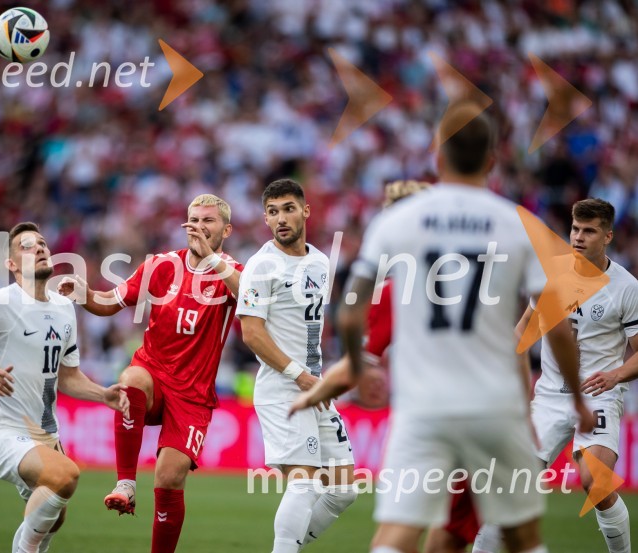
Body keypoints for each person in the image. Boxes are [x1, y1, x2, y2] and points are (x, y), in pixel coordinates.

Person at [292, 102, 594, 553]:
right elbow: (555, 325)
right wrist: (577, 399)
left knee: (397, 535)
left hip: (423, 409)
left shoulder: (397, 221)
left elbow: (351, 309)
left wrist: (355, 366)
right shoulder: (516, 224)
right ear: (492, 160)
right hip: (495, 408)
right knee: (523, 538)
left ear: (438, 158)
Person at [57, 194, 241, 553]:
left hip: (193, 394)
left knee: (169, 478)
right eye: (193, 220)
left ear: (227, 229)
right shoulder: (161, 266)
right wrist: (85, 294)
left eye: (208, 221)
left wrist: (215, 260)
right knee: (131, 381)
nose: (199, 228)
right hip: (153, 373)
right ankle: (125, 484)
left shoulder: (232, 272)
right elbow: (113, 301)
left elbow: (251, 298)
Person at [452, 198, 636, 553]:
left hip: (598, 396)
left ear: (608, 236)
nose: (579, 237)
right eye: (575, 229)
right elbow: (525, 331)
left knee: (595, 481)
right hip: (549, 397)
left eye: (590, 231)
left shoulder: (626, 288)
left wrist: (615, 375)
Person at [0, 222, 129, 553]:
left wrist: (103, 394)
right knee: (65, 476)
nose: (39, 248)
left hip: (44, 436)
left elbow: (67, 377)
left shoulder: (64, 308)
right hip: (2, 432)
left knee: (55, 516)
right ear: (11, 264)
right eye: (26, 246)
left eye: (41, 243)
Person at [237, 179, 357, 553]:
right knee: (304, 484)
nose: (280, 218)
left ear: (306, 211)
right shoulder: (261, 266)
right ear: (265, 219)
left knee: (343, 491)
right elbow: (252, 334)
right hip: (282, 389)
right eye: (272, 212)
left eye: (288, 208)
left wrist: (315, 378)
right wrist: (300, 376)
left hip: (314, 386)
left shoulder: (321, 262)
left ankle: (289, 547)